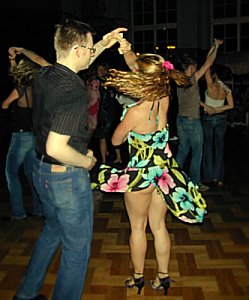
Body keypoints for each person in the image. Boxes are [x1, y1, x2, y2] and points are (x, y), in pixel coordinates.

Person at [13, 19, 127, 300]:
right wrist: (87, 162)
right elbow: (56, 146)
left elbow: (82, 58)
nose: (91, 53)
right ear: (77, 49)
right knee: (76, 253)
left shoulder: (45, 74)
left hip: (40, 171)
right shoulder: (74, 89)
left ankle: (25, 294)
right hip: (65, 175)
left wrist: (103, 43)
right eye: (89, 48)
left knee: (51, 231)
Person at [93, 42, 207, 296]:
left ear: (141, 80)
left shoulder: (135, 111)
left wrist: (124, 122)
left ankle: (138, 279)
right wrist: (125, 50)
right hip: (163, 173)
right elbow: (141, 68)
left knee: (137, 228)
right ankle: (163, 279)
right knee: (159, 227)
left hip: (141, 176)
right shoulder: (165, 97)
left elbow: (115, 141)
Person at [1, 50, 45, 220]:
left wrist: (10, 112)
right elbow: (16, 79)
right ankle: (38, 209)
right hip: (34, 135)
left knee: (11, 173)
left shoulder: (19, 89)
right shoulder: (36, 89)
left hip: (20, 137)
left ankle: (18, 212)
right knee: (31, 174)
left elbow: (5, 105)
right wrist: (13, 61)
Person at [176, 39, 223, 192]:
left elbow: (192, 99)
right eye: (195, 67)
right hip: (192, 122)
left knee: (183, 151)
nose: (197, 69)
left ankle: (172, 178)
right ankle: (195, 183)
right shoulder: (192, 79)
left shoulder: (179, 81)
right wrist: (215, 47)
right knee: (197, 152)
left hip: (181, 120)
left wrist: (203, 105)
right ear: (191, 68)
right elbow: (208, 63)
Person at [201, 64, 234, 186]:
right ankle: (219, 177)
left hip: (209, 118)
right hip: (221, 119)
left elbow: (207, 67)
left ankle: (209, 176)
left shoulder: (211, 85)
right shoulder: (227, 90)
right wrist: (218, 109)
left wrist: (214, 48)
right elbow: (231, 106)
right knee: (219, 147)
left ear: (216, 75)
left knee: (208, 147)